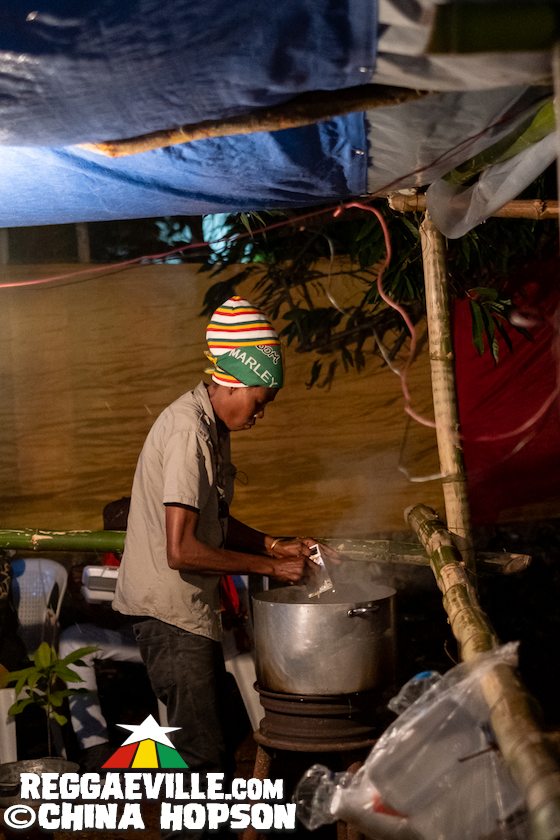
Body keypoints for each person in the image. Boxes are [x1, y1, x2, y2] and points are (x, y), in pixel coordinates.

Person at [113, 295, 316, 838]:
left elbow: (212, 519)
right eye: (260, 400)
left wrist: (274, 544)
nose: (260, 413)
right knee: (200, 761)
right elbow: (181, 549)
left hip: (186, 613)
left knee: (213, 748)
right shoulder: (188, 431)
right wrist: (268, 567)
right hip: (170, 615)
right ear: (233, 383)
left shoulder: (211, 427)